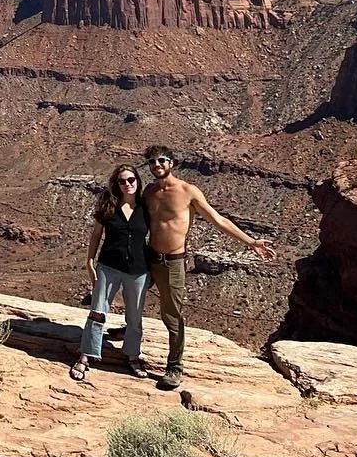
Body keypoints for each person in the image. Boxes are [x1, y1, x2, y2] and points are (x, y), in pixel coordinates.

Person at [142, 143, 277, 390]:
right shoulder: (149, 191)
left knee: (171, 315)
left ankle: (174, 366)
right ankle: (129, 334)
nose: (157, 165)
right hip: (148, 257)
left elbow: (218, 219)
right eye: (151, 162)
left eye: (161, 160)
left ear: (171, 163)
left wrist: (251, 241)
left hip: (172, 263)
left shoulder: (188, 191)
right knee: (131, 297)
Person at [70, 164, 150, 382]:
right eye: (122, 181)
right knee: (97, 311)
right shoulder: (108, 206)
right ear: (116, 184)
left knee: (134, 316)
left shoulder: (146, 207)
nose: (128, 184)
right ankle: (86, 354)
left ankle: (132, 355)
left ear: (138, 181)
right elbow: (96, 235)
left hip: (138, 269)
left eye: (131, 180)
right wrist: (89, 262)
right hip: (108, 266)